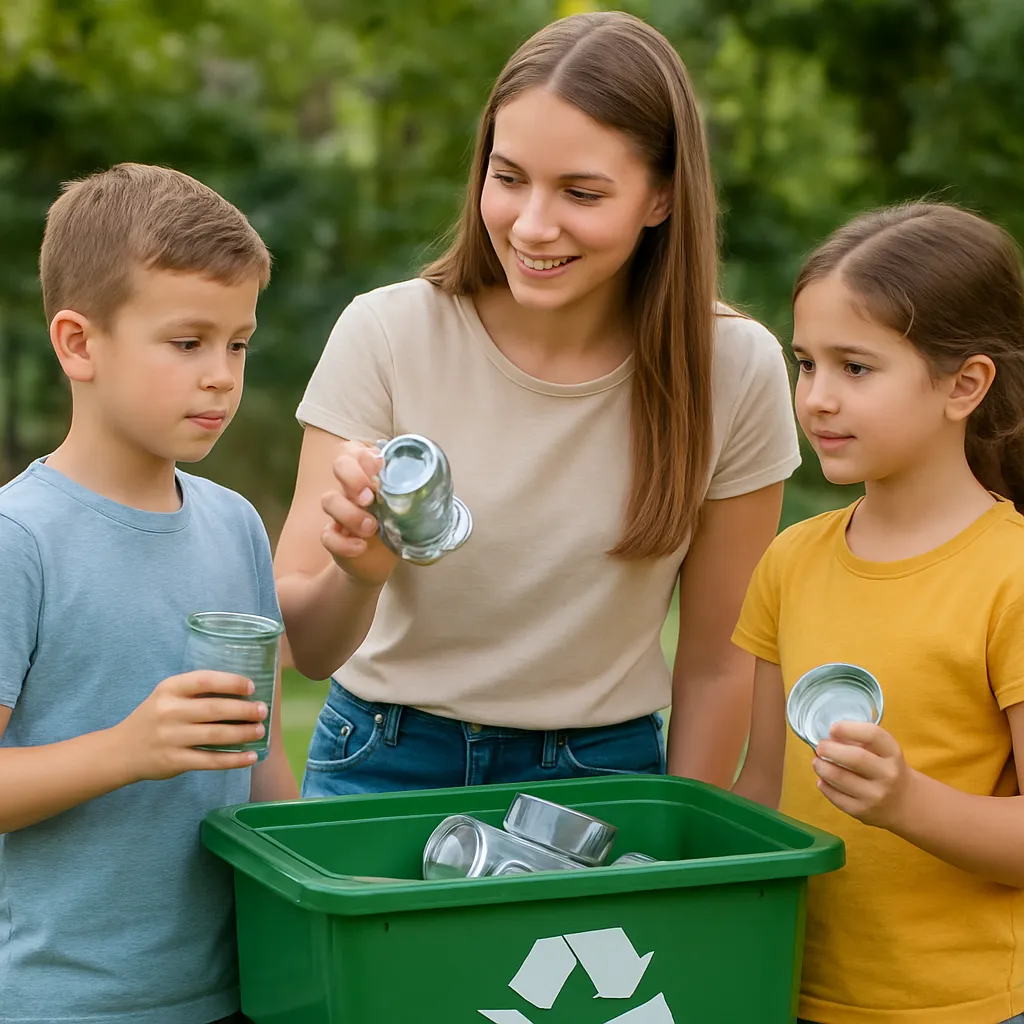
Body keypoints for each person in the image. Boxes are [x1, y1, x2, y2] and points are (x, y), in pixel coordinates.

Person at [275, 11, 800, 798]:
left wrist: (676, 838)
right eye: (509, 176)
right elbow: (304, 649)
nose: (532, 224)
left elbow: (720, 662)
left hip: (605, 774)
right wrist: (358, 574)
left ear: (661, 197)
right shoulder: (387, 332)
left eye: (581, 192)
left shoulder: (734, 367)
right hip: (382, 758)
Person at [0, 163, 297, 1024]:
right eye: (187, 342)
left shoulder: (235, 523)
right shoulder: (21, 539)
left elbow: (262, 752)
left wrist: (319, 879)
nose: (221, 376)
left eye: (238, 344)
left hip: (239, 990)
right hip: (65, 1004)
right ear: (78, 343)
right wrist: (127, 749)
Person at [732, 203, 1024, 1024]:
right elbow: (763, 791)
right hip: (791, 993)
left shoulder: (1011, 577)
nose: (818, 398)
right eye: (807, 364)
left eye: (855, 368)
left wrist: (904, 801)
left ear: (964, 384)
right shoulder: (791, 561)